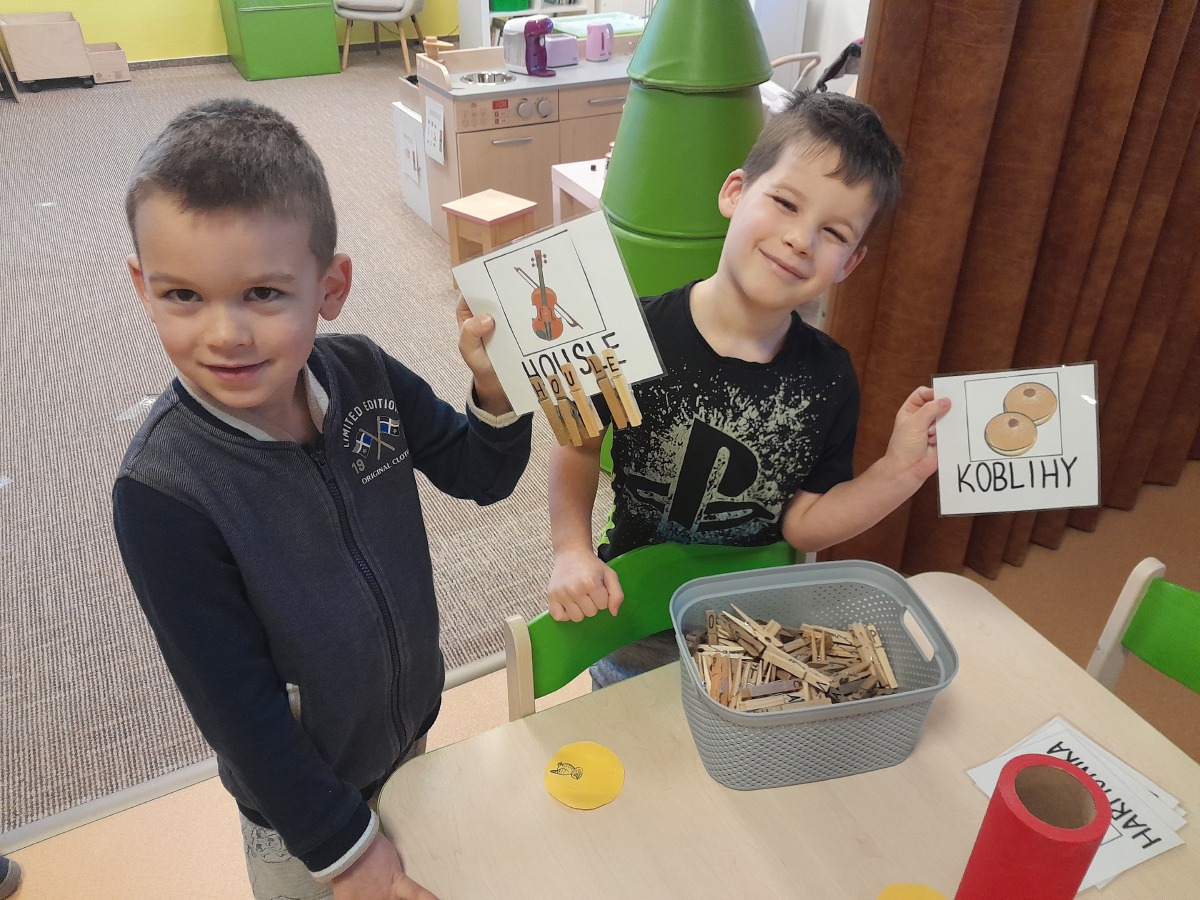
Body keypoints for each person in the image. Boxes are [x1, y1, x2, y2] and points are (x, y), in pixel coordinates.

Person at [113, 99, 531, 900]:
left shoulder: (364, 374)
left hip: (407, 738)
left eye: (263, 293)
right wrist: (344, 850)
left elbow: (481, 475)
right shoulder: (162, 493)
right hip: (299, 820)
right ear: (142, 286)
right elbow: (236, 710)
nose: (225, 333)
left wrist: (494, 390)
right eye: (183, 296)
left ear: (329, 286)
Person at [546, 90, 950, 686]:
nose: (801, 239)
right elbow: (577, 444)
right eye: (785, 203)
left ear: (850, 264)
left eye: (834, 232)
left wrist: (898, 473)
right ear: (735, 192)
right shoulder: (628, 332)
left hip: (756, 636)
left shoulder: (830, 377)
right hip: (631, 624)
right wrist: (571, 550)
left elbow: (802, 523)